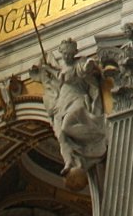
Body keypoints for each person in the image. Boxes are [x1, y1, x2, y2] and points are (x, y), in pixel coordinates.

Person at [34, 38, 107, 183]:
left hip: (77, 100)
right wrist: (47, 69)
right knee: (61, 135)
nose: (67, 57)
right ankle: (69, 161)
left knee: (67, 126)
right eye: (64, 54)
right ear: (61, 53)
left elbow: (84, 70)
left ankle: (98, 135)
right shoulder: (60, 68)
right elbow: (58, 76)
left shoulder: (78, 64)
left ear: (74, 53)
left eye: (69, 54)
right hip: (62, 102)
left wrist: (88, 68)